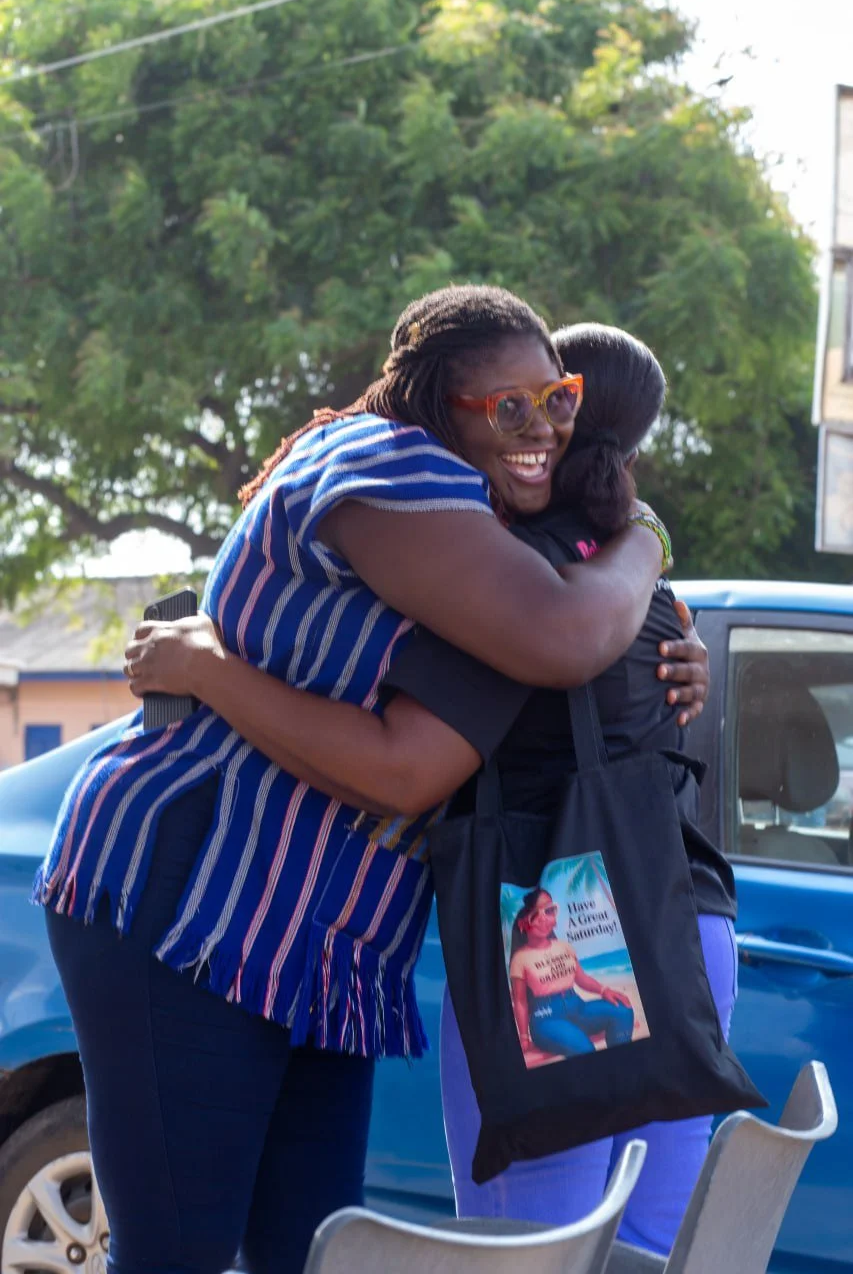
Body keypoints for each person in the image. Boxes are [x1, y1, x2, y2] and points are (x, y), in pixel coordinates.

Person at [38, 287, 695, 1274]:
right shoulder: (388, 470)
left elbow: (579, 641)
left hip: (321, 935)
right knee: (178, 1249)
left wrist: (672, 630)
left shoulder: (484, 522)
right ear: (437, 397)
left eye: (556, 399)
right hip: (195, 897)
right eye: (504, 406)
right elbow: (533, 659)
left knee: (307, 1250)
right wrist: (646, 532)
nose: (541, 429)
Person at [508, 888, 634, 1062]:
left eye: (550, 911)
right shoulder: (520, 958)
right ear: (523, 924)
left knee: (623, 1011)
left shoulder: (564, 946)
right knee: (584, 1048)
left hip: (578, 1007)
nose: (544, 919)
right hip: (546, 1018)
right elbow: (520, 1001)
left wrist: (604, 990)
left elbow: (581, 979)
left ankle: (622, 1064)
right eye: (536, 915)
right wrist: (523, 1036)